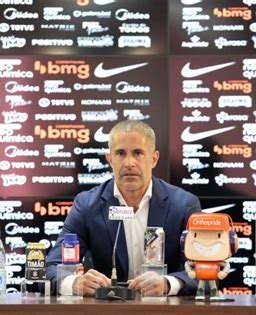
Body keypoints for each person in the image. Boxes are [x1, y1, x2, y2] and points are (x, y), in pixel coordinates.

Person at [46, 120, 201, 296]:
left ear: (154, 159)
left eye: (138, 153)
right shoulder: (87, 204)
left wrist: (168, 284)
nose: (129, 163)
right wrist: (75, 284)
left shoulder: (184, 204)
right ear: (110, 159)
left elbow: (204, 270)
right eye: (120, 153)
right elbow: (51, 267)